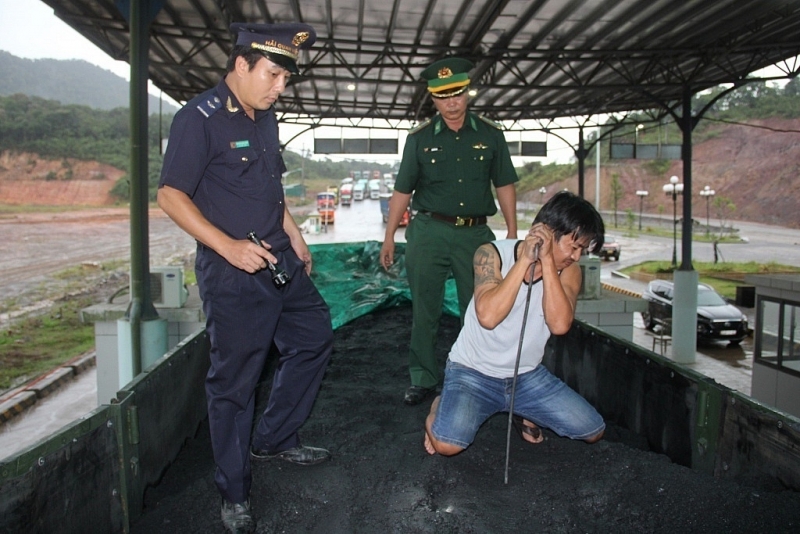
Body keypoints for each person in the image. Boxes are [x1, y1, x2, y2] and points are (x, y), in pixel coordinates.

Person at [157, 22, 332, 534]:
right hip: (232, 268)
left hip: (278, 256)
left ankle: (274, 437)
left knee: (314, 336)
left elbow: (268, 188)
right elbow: (170, 195)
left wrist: (295, 236)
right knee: (234, 382)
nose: (280, 87)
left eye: (284, 79)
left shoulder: (266, 117)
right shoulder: (199, 119)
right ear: (241, 65)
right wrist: (228, 247)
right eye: (273, 75)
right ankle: (234, 491)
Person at [379, 57, 519, 406]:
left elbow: (504, 184)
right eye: (443, 96)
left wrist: (513, 233)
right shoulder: (419, 139)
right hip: (428, 233)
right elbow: (402, 191)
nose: (452, 102)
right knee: (424, 310)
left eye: (457, 94)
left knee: (479, 310)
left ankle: (475, 375)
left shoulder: (491, 135)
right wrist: (389, 236)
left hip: (476, 237)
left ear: (468, 94)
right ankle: (423, 379)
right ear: (433, 99)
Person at [423, 191, 606, 457]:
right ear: (547, 232)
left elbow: (559, 325)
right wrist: (524, 262)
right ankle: (439, 405)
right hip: (473, 373)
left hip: (526, 376)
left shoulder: (569, 271)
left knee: (592, 430)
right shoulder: (491, 253)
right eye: (574, 246)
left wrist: (547, 262)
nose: (577, 257)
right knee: (447, 445)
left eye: (582, 250)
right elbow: (488, 316)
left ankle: (522, 411)